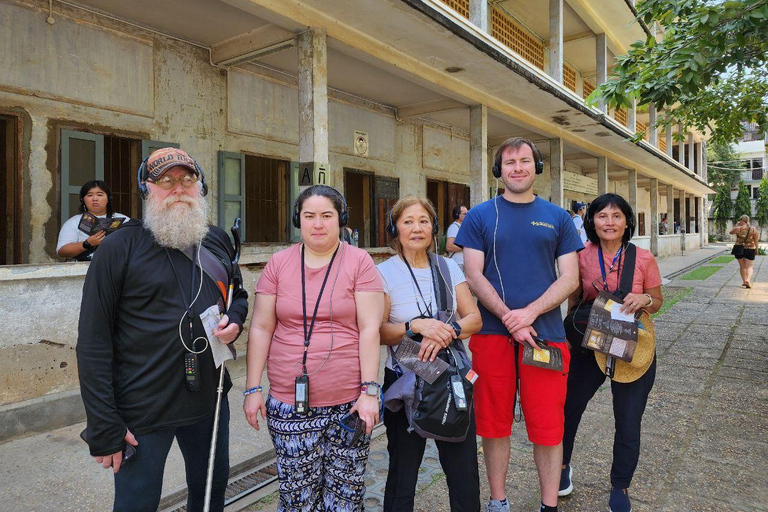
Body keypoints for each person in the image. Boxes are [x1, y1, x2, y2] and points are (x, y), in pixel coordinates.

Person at [76, 147, 249, 512]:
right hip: (142, 407)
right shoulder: (119, 248)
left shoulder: (214, 240)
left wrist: (234, 320)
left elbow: (238, 294)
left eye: (187, 179)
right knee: (136, 503)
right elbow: (93, 342)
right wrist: (103, 425)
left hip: (209, 399)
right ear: (146, 188)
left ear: (199, 186)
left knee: (210, 495)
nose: (178, 188)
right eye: (165, 180)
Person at [454, 137, 582, 512]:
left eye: (525, 161)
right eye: (509, 162)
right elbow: (474, 274)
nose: (518, 168)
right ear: (499, 170)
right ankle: (498, 501)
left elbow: (570, 278)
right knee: (493, 424)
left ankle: (548, 505)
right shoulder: (480, 215)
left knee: (548, 426)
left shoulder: (558, 217)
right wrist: (511, 319)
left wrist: (527, 314)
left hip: (545, 337)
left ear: (536, 167)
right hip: (491, 337)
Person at [243, 185, 385, 511]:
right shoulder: (278, 264)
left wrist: (369, 390)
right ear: (298, 219)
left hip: (349, 402)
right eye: (309, 216)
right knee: (297, 497)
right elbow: (262, 328)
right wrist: (252, 388)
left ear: (341, 220)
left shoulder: (359, 261)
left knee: (345, 496)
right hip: (289, 403)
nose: (317, 224)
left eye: (326, 215)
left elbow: (368, 328)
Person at [377, 196, 482, 511]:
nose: (416, 228)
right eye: (407, 221)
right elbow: (379, 331)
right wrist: (415, 326)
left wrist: (445, 332)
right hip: (405, 383)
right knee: (402, 473)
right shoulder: (382, 272)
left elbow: (474, 319)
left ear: (434, 227)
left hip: (450, 380)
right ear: (394, 228)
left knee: (463, 472)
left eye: (423, 220)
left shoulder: (448, 267)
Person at [560, 193, 663, 512]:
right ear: (591, 221)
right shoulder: (579, 256)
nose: (609, 221)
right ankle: (562, 468)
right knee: (568, 408)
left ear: (627, 221)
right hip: (590, 343)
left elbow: (657, 301)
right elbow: (574, 302)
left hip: (632, 345)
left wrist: (643, 300)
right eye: (602, 215)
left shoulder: (643, 258)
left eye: (616, 215)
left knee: (629, 419)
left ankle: (620, 485)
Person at [57, 180, 128, 261]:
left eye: (100, 195)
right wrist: (87, 244)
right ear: (83, 200)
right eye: (90, 195)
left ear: (108, 198)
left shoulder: (125, 220)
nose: (95, 199)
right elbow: (62, 251)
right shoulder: (73, 222)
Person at [729, 215, 759, 288]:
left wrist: (737, 225)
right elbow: (756, 241)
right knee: (750, 266)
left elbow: (730, 232)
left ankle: (744, 281)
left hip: (739, 248)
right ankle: (748, 280)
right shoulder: (754, 229)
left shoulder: (737, 229)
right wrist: (757, 249)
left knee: (742, 266)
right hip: (750, 248)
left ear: (742, 220)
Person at [445, 204, 468, 272]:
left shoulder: (462, 227)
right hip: (458, 263)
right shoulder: (454, 227)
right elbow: (449, 247)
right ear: (457, 214)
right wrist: (467, 246)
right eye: (464, 214)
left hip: (463, 263)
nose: (467, 215)